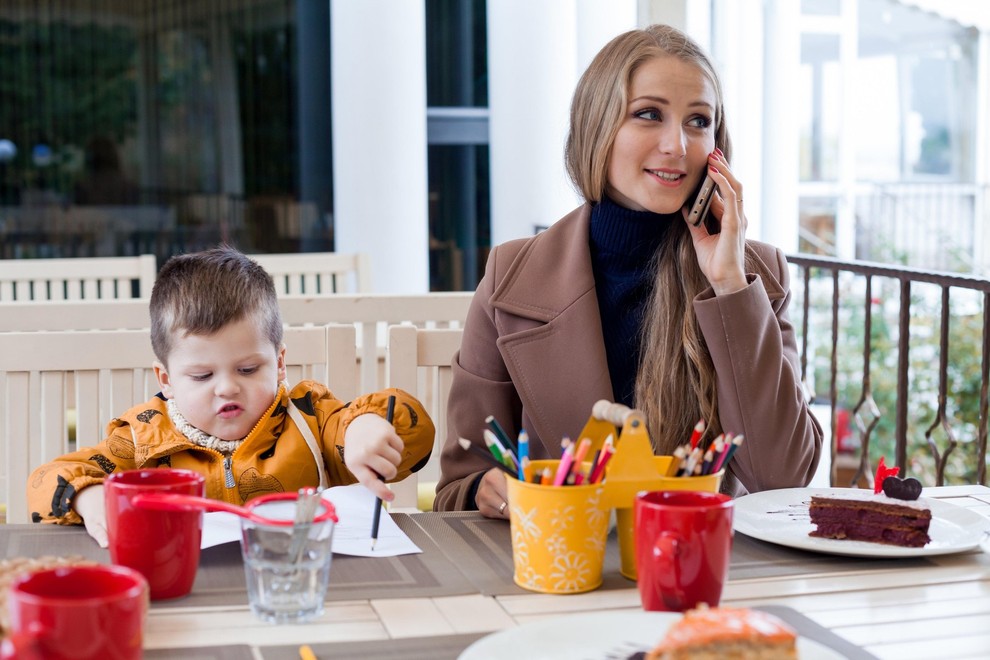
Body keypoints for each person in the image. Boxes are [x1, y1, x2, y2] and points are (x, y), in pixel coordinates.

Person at [434, 24, 822, 517]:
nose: (677, 145)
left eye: (699, 121)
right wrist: (483, 489)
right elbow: (457, 486)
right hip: (564, 572)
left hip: (703, 574)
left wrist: (728, 286)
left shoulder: (753, 276)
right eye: (648, 114)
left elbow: (783, 477)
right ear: (598, 127)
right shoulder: (512, 276)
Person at [28, 245, 435, 545]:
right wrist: (88, 496)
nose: (226, 387)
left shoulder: (311, 420)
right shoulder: (140, 440)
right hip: (184, 597)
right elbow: (45, 481)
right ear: (166, 379)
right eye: (202, 375)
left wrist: (369, 426)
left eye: (247, 369)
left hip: (299, 587)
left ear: (279, 363)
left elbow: (411, 439)